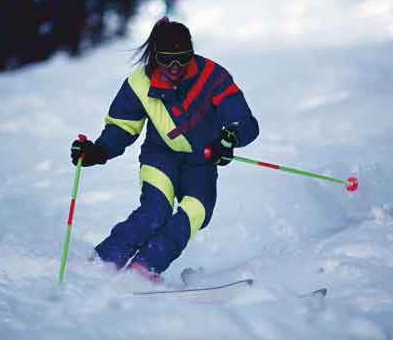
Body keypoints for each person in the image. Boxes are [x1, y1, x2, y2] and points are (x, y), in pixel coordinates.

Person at [70, 17, 259, 281]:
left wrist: (229, 138)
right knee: (156, 210)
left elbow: (245, 123)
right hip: (160, 156)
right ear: (155, 56)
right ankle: (105, 260)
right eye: (167, 58)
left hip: (201, 161)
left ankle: (145, 268)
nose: (174, 67)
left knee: (197, 212)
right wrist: (98, 151)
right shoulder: (140, 84)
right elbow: (122, 127)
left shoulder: (212, 77)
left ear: (191, 54)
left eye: (182, 58)